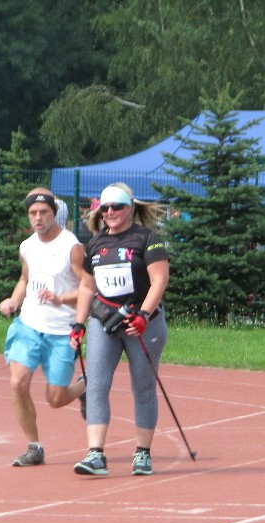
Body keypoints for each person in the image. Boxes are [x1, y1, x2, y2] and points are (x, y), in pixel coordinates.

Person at [68, 182, 169, 477]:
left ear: (130, 209)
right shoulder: (96, 243)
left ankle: (142, 454)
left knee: (143, 386)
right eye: (106, 207)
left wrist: (144, 315)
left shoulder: (146, 238)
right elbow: (87, 286)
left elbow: (159, 280)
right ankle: (95, 454)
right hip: (105, 321)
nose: (110, 212)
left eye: (117, 207)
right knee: (96, 384)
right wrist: (78, 324)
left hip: (141, 322)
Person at [0, 188, 88, 467]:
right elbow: (25, 279)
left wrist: (61, 298)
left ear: (54, 213)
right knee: (17, 383)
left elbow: (88, 286)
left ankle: (84, 388)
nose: (38, 218)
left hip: (61, 331)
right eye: (33, 213)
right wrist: (13, 300)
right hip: (28, 326)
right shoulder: (27, 246)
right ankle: (34, 447)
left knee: (56, 398)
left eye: (43, 213)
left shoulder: (71, 246)